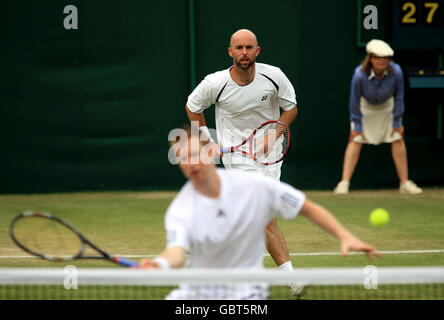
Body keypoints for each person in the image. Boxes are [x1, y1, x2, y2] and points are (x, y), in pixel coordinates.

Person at [139, 126, 382, 300]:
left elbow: (305, 207)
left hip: (246, 293)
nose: (190, 163)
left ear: (211, 152)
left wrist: (343, 234)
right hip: (197, 293)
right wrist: (161, 263)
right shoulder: (181, 208)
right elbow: (177, 251)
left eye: (195, 154)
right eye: (182, 158)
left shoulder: (253, 187)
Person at [184, 29, 299, 282]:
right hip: (237, 159)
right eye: (239, 48)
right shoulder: (215, 83)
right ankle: (293, 281)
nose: (244, 52)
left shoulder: (274, 76)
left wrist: (275, 134)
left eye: (249, 47)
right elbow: (192, 108)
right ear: (230, 52)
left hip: (271, 156)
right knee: (266, 219)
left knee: (265, 220)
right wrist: (206, 140)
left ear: (257, 51)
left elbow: (290, 108)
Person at [334, 39, 422, 195]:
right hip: (364, 108)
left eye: (385, 58)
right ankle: (344, 183)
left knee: (397, 138)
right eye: (377, 57)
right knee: (355, 139)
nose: (382, 61)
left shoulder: (397, 72)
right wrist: (357, 125)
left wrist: (397, 122)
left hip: (387, 107)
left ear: (389, 60)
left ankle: (405, 183)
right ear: (371, 59)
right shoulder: (359, 75)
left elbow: (399, 97)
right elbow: (354, 101)